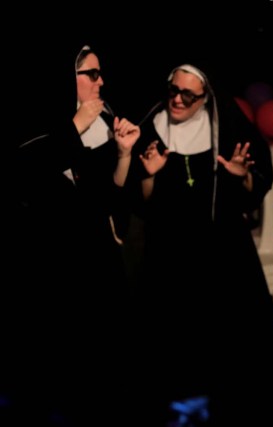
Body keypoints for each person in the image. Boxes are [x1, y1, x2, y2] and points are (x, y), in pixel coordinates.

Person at [130, 62, 273, 424]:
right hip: (170, 255)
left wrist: (241, 177)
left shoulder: (225, 129)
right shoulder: (152, 127)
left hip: (224, 253)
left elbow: (255, 187)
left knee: (235, 344)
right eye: (173, 90)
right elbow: (140, 202)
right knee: (178, 349)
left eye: (188, 95)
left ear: (205, 98)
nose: (178, 100)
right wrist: (148, 177)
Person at [3, 44, 140, 426]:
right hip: (52, 259)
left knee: (106, 358)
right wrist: (74, 126)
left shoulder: (103, 120)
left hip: (95, 253)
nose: (101, 81)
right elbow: (24, 178)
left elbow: (108, 195)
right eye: (91, 74)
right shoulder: (35, 121)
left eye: (100, 73)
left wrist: (124, 154)